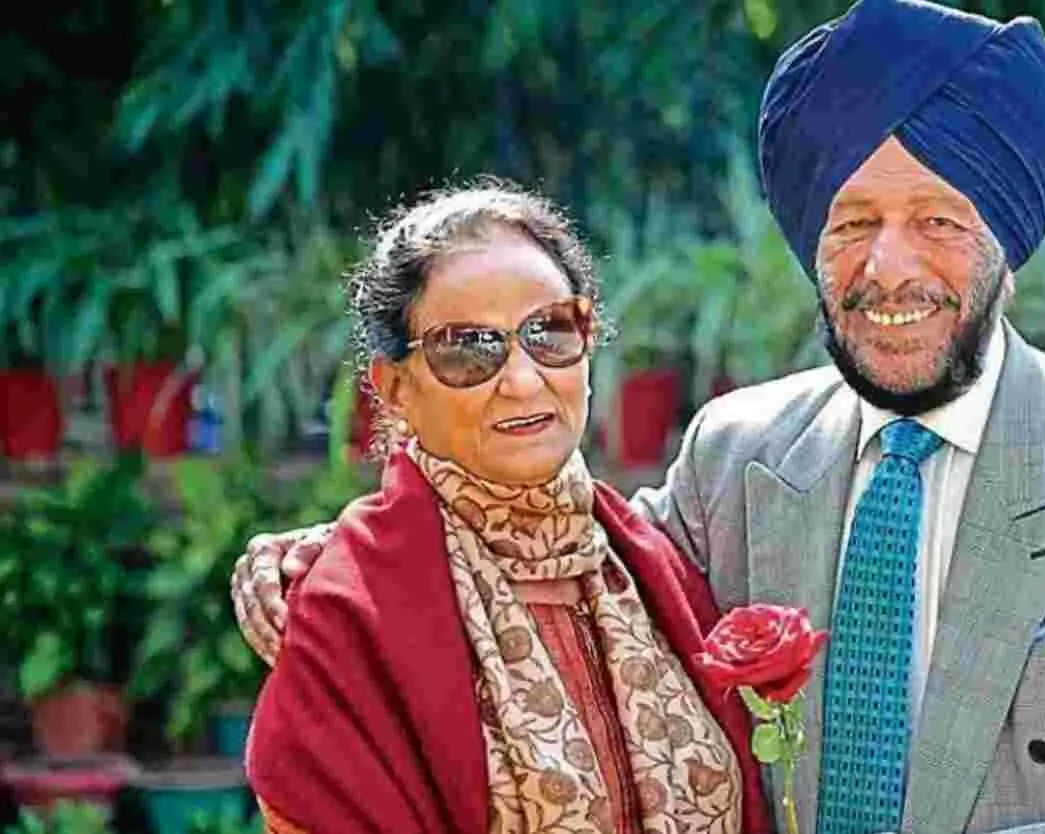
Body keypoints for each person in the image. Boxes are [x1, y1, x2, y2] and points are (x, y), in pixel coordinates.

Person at [235, 1, 1045, 832]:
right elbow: (553, 559)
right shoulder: (736, 457)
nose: (889, 267)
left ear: (1007, 239)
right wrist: (343, 556)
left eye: (939, 219)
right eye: (851, 221)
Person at [240, 179, 771, 834]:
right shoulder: (348, 612)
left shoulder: (656, 565)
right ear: (395, 387)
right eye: (468, 348)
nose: (523, 381)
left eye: (550, 332)